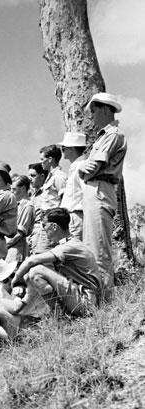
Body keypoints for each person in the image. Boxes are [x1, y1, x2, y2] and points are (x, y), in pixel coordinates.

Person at [12, 207, 101, 317]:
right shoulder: (68, 244)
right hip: (83, 298)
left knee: (36, 271)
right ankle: (58, 313)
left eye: (44, 225)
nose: (43, 229)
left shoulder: (69, 247)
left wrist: (16, 281)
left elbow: (31, 261)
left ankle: (58, 316)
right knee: (35, 272)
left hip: (86, 302)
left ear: (54, 226)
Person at [80, 92, 127, 294]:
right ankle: (98, 296)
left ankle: (105, 297)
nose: (93, 115)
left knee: (98, 249)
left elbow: (93, 167)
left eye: (95, 110)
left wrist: (81, 168)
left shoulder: (112, 135)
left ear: (107, 109)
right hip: (95, 188)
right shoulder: (105, 136)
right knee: (91, 246)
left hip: (100, 188)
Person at [59, 132, 88, 240]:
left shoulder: (81, 166)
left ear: (71, 149)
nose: (63, 152)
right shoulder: (75, 167)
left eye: (64, 148)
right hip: (71, 218)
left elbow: (87, 193)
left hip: (76, 216)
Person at [6, 175, 35, 264]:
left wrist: (4, 246)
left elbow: (20, 233)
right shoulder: (17, 205)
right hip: (10, 249)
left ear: (23, 188)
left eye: (14, 189)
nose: (12, 192)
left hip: (16, 251)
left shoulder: (27, 206)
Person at [28, 162, 51, 254]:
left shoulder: (47, 193)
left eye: (33, 175)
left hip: (40, 231)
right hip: (30, 232)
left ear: (42, 176)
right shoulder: (32, 195)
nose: (30, 178)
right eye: (29, 175)